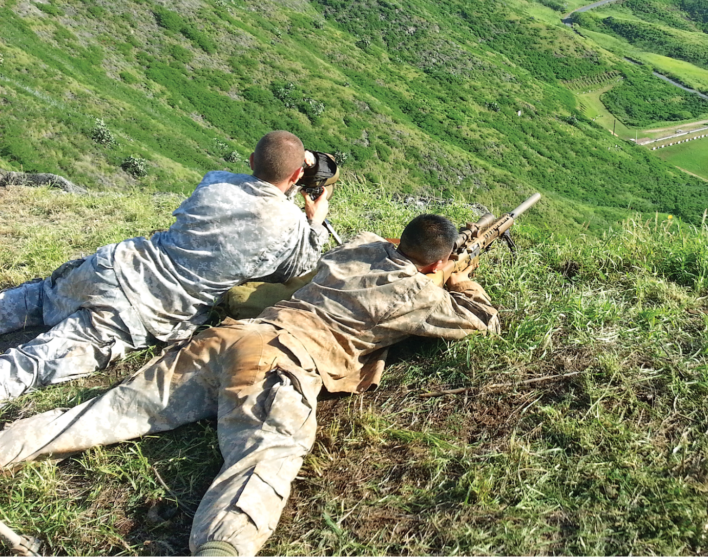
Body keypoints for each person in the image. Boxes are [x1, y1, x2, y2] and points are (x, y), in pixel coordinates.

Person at [0, 214, 499, 557]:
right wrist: (458, 277)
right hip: (282, 363)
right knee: (267, 456)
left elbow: (387, 250)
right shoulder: (419, 293)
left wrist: (435, 262)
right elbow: (482, 318)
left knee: (98, 414)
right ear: (434, 263)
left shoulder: (360, 244)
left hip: (229, 338)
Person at [0, 130, 330, 406]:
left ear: (251, 162)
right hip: (135, 312)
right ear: (298, 175)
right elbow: (295, 269)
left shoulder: (215, 183)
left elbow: (254, 197)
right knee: (30, 364)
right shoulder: (291, 228)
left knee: (33, 300)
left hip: (110, 265)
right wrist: (314, 223)